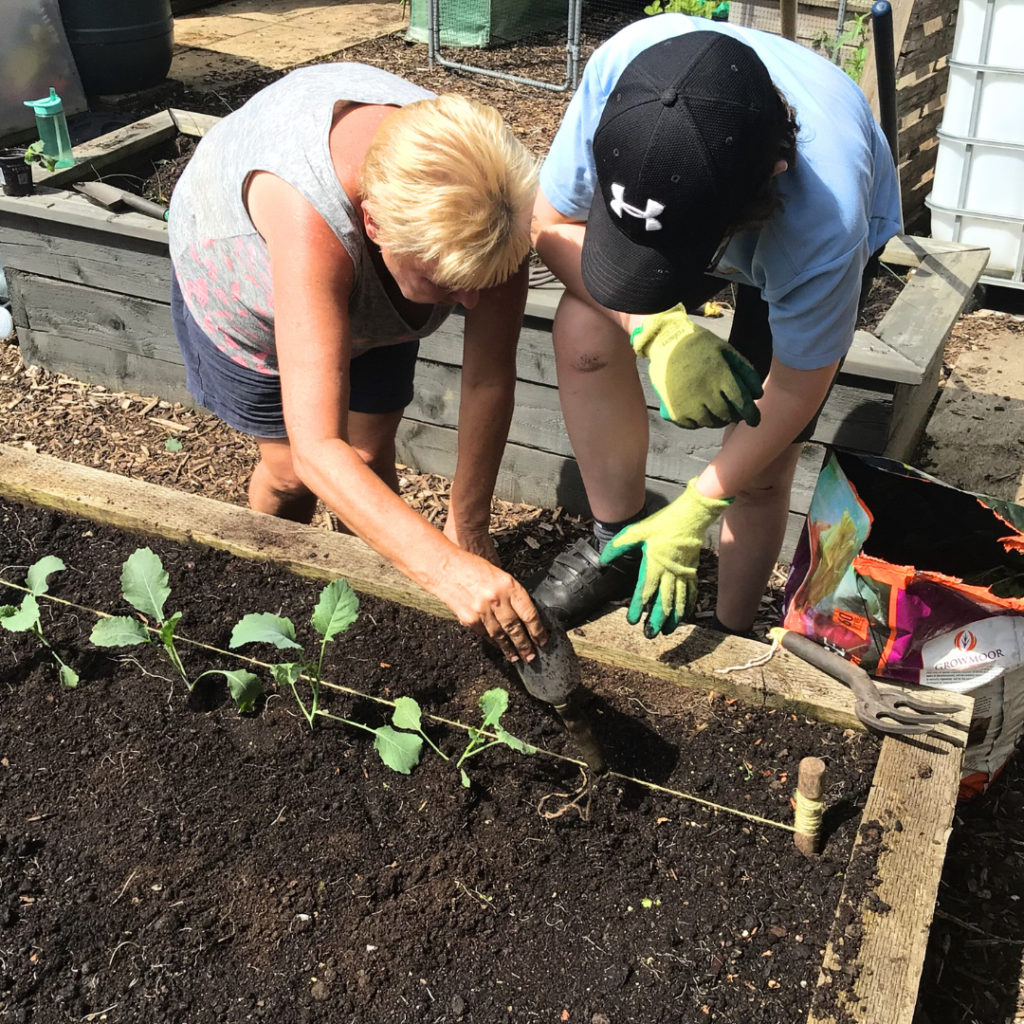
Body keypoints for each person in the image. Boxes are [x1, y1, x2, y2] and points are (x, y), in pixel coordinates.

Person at [530, 15, 901, 639]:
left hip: (780, 227)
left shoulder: (826, 223)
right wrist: (659, 331)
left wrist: (697, 506)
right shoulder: (624, 74)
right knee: (583, 324)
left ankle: (728, 631)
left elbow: (794, 390)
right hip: (682, 202)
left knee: (762, 467)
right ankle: (615, 540)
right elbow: (550, 224)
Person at [168, 64, 546, 663]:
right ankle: (269, 597)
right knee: (293, 471)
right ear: (374, 224)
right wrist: (445, 570)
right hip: (242, 276)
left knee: (369, 457)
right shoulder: (307, 213)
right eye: (449, 284)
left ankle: (373, 609)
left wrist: (467, 532)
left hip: (378, 271)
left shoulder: (490, 210)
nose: (473, 303)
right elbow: (318, 448)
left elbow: (489, 376)